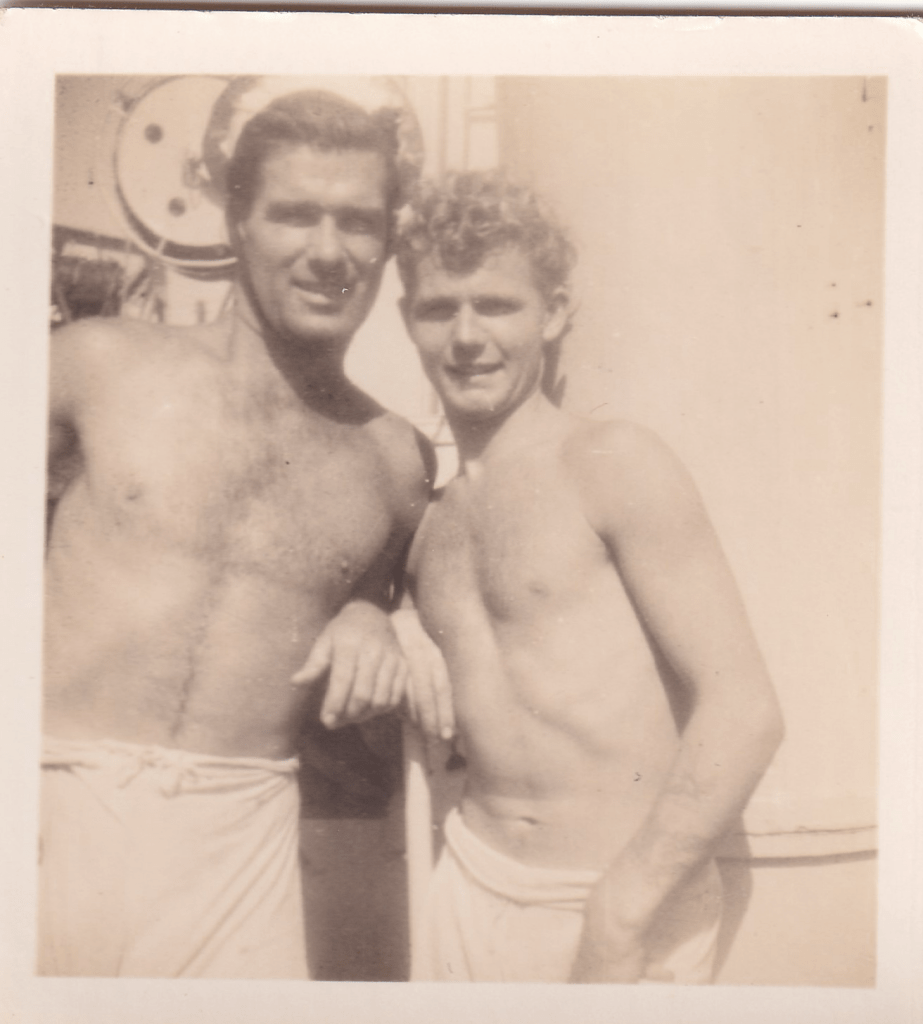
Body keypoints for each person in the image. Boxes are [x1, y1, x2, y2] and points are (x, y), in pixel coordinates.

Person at [40, 86, 434, 979]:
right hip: (49, 799)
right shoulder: (96, 365)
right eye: (295, 214)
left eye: (358, 222)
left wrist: (378, 615)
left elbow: (403, 596)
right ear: (235, 220)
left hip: (239, 846)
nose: (329, 251)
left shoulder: (396, 461)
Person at [394, 170, 784, 984]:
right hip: (467, 886)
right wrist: (393, 623)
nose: (466, 337)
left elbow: (744, 710)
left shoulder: (609, 463)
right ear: (408, 321)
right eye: (439, 308)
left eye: (497, 304)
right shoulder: (429, 519)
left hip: (612, 907)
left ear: (556, 311)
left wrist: (622, 910)